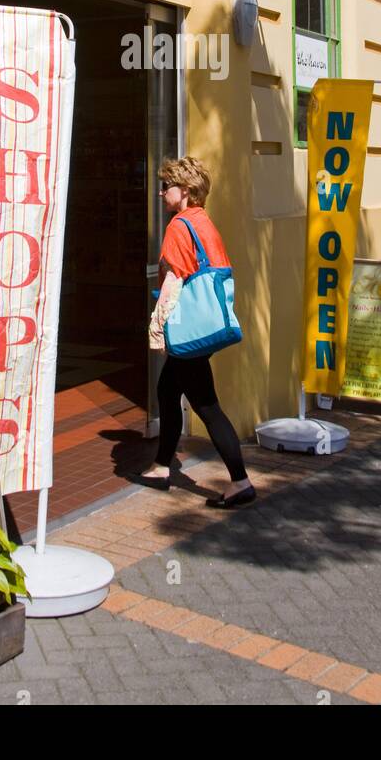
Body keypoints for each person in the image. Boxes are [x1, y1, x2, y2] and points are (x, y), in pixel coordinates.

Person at [131, 156, 256, 509]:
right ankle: (160, 467)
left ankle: (240, 482)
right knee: (167, 391)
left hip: (188, 329)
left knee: (207, 405)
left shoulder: (179, 225)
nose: (160, 193)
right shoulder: (204, 222)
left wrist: (156, 330)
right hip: (203, 324)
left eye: (165, 187)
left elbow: (173, 282)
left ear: (184, 191)